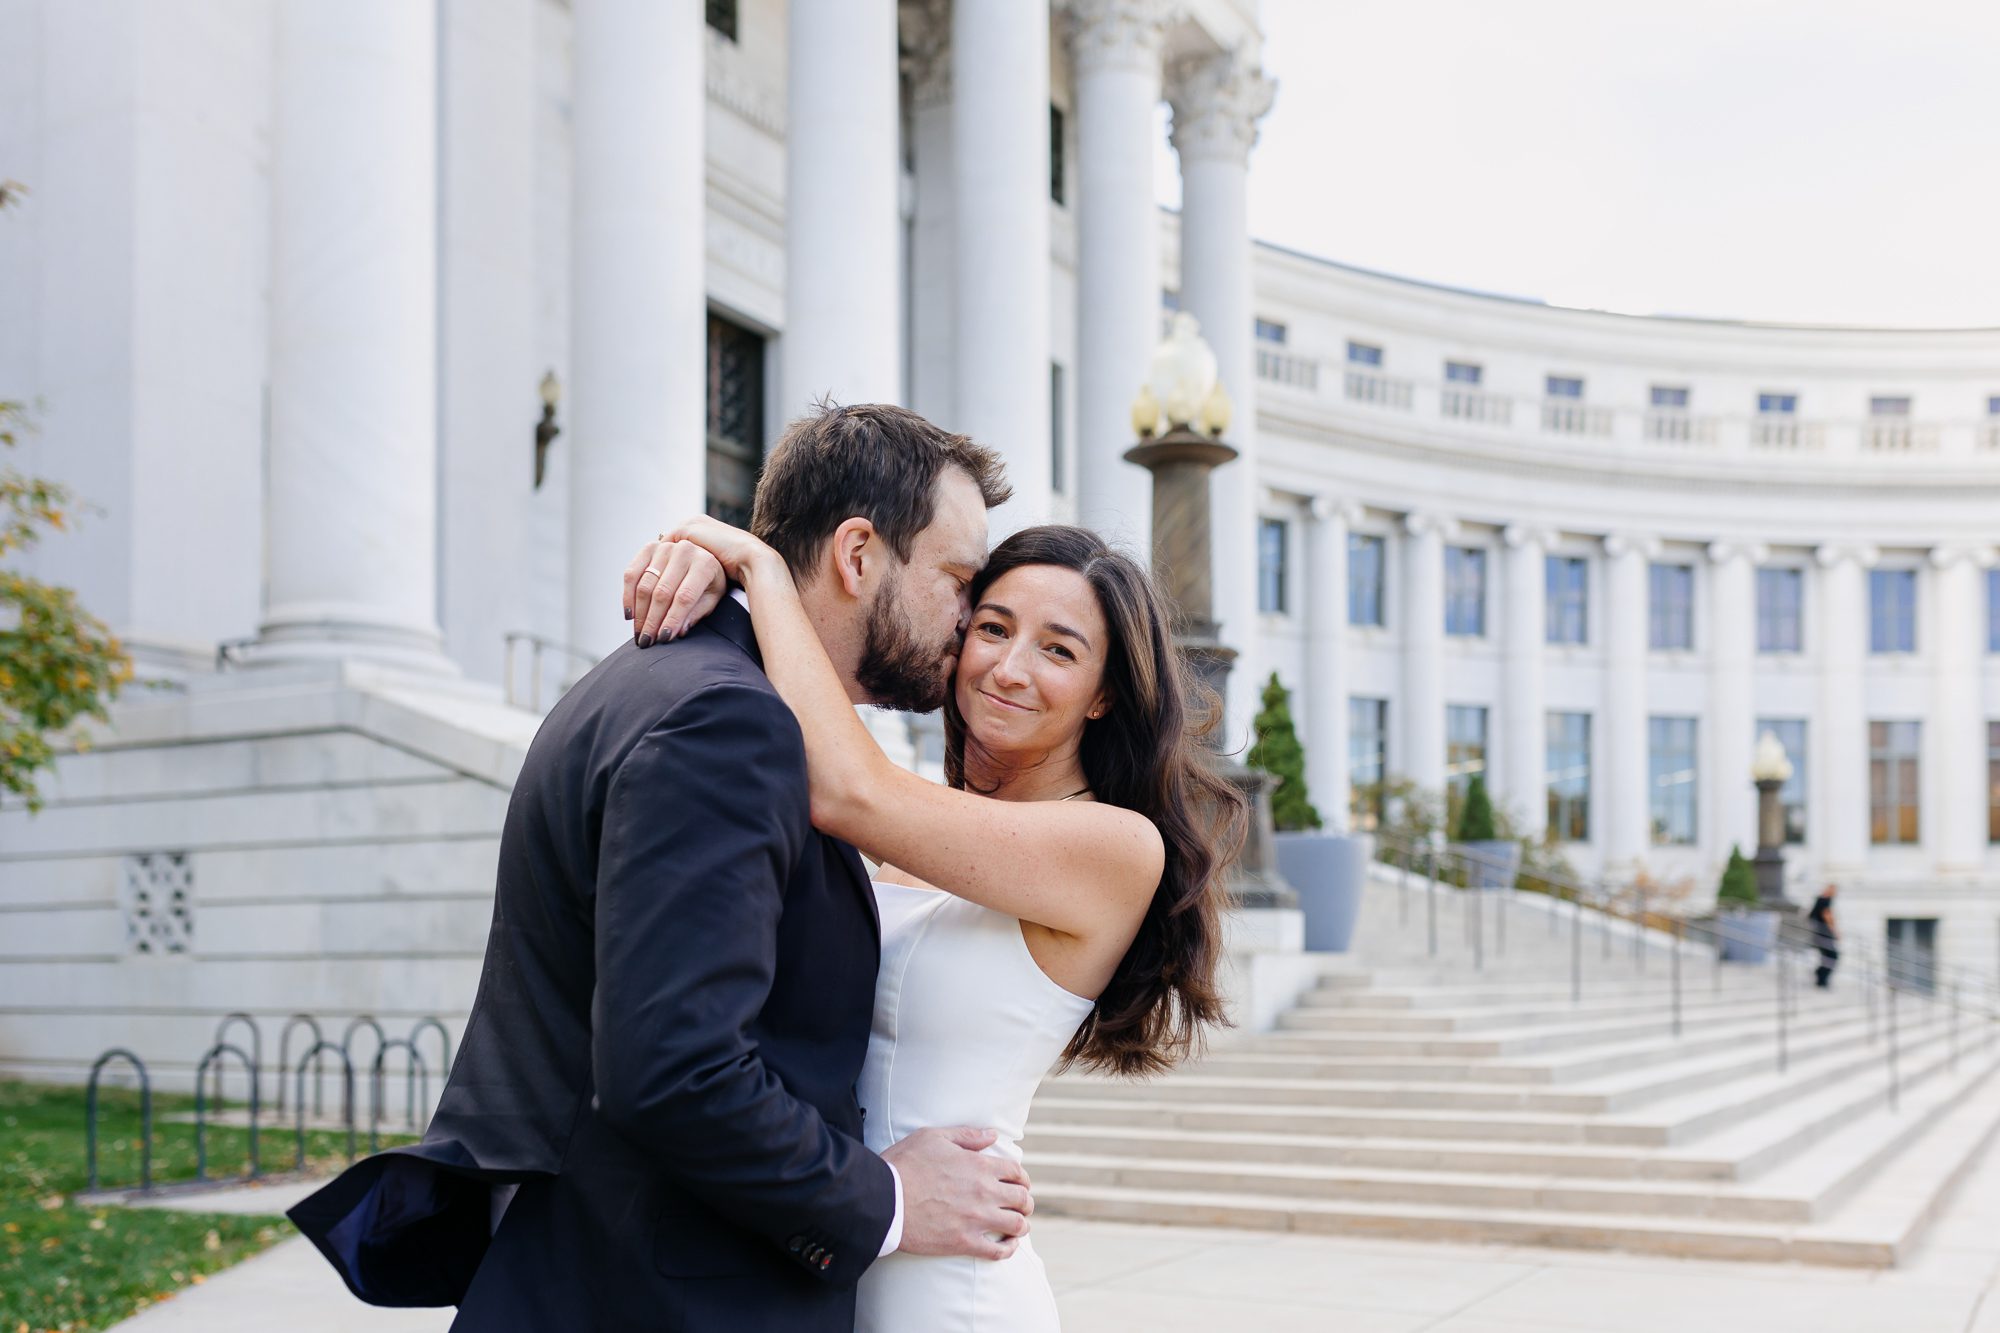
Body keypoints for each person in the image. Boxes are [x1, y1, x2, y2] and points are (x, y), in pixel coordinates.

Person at [289, 403, 1037, 1333]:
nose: (966, 623)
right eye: (959, 580)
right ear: (857, 554)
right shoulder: (728, 721)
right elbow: (675, 1068)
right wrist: (882, 1197)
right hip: (660, 1296)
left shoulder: (663, 679)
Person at [624, 511, 1246, 1332]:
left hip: (953, 1289)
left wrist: (757, 568)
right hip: (841, 1250)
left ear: (1104, 695)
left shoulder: (1114, 846)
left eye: (1058, 649)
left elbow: (846, 788)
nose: (1010, 668)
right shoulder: (918, 822)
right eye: (992, 627)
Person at [1809, 883, 1840, 988]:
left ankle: (1821, 978)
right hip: (1823, 933)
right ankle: (1821, 977)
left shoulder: (1819, 899)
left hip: (1819, 933)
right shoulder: (1825, 900)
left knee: (1826, 956)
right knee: (1832, 956)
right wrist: (1835, 931)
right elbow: (1827, 915)